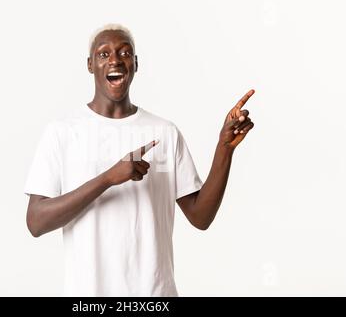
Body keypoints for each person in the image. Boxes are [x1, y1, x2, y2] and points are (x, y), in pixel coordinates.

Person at [24, 24, 255, 296]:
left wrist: (224, 149)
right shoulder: (62, 133)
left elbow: (200, 216)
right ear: (89, 65)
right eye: (103, 54)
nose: (114, 59)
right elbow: (36, 222)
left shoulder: (164, 132)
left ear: (135, 64)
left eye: (124, 53)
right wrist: (109, 178)